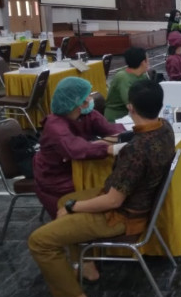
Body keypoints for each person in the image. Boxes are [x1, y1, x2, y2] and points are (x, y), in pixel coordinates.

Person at [29, 79, 176, 297]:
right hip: (132, 205)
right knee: (63, 201)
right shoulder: (165, 128)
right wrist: (72, 205)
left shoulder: (135, 151)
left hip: (120, 216)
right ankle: (85, 265)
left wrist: (76, 207)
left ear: (130, 107)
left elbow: (113, 201)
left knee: (39, 241)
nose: (88, 104)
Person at [33, 77, 125, 219]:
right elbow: (74, 148)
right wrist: (109, 148)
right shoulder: (55, 126)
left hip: (80, 166)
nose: (90, 99)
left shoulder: (86, 114)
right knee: (105, 191)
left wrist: (127, 135)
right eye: (86, 97)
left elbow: (110, 129)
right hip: (57, 177)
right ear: (77, 103)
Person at [104, 47, 149, 122]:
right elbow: (131, 106)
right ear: (143, 62)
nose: (148, 63)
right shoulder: (123, 77)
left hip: (133, 115)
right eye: (147, 60)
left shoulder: (143, 76)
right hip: (117, 118)